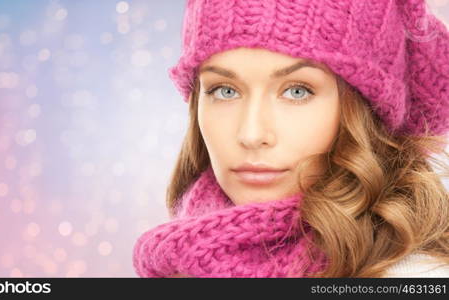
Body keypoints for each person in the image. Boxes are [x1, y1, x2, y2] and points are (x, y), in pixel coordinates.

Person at [132, 0, 449, 277]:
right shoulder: (183, 258)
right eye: (224, 91)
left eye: (297, 91)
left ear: (364, 110)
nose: (252, 134)